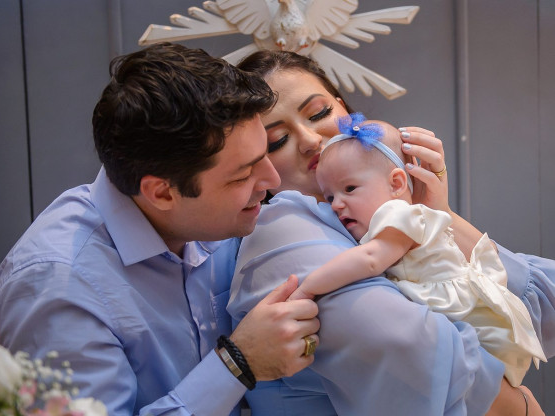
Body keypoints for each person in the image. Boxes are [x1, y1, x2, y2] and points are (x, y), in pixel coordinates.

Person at [0, 42, 322, 416]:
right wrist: (238, 364)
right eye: (243, 175)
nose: (271, 180)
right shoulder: (57, 289)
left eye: (265, 152)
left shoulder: (212, 215)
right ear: (161, 193)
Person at [229, 49, 554, 415]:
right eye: (277, 140)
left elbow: (538, 309)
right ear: (254, 159)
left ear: (344, 110)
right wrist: (522, 406)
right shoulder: (281, 227)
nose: (309, 139)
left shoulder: (375, 220)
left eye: (319, 113)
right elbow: (412, 347)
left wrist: (439, 216)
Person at [288, 112, 547, 387]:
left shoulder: (400, 215)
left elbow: (371, 260)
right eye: (330, 196)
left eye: (349, 188)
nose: (336, 204)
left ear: (396, 183)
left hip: (474, 323)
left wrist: (308, 287)